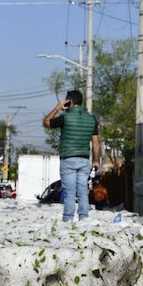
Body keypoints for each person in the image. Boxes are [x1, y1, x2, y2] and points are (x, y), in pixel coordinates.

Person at [43, 89, 100, 222]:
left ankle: (68, 220)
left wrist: (57, 108)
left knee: (69, 192)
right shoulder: (91, 119)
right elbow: (96, 143)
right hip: (84, 159)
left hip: (68, 159)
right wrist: (96, 161)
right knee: (82, 192)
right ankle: (84, 219)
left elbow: (46, 123)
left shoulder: (65, 117)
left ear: (69, 101)